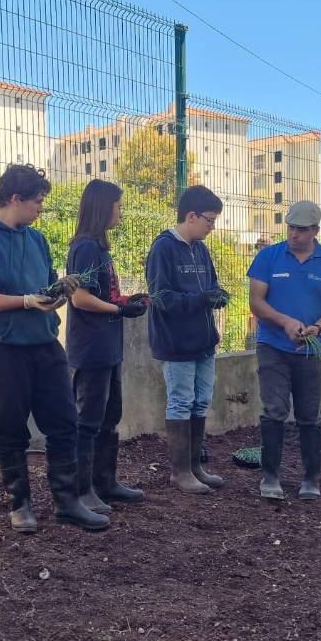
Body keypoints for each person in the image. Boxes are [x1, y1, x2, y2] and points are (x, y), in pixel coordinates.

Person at [0, 164, 108, 532]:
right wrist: (25, 301)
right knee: (11, 429)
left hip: (46, 345)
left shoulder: (37, 239)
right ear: (15, 199)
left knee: (64, 424)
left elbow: (44, 289)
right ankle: (20, 505)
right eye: (37, 201)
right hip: (5, 349)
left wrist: (57, 291)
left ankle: (68, 502)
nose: (40, 209)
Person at [246, 200, 321, 500]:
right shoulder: (268, 258)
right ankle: (270, 477)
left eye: (302, 230)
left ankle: (311, 478)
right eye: (291, 227)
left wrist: (316, 328)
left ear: (316, 230)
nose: (294, 234)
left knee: (308, 414)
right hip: (273, 346)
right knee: (274, 410)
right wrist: (285, 322)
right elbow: (256, 302)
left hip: (312, 349)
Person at [66, 179, 149, 513]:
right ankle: (82, 490)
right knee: (88, 419)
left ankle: (105, 482)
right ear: (103, 207)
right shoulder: (85, 247)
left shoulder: (100, 249)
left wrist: (130, 300)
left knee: (109, 415)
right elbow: (81, 297)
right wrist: (119, 309)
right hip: (91, 348)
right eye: (118, 205)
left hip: (109, 347)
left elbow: (103, 295)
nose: (121, 211)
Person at [146, 185, 229, 494]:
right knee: (181, 401)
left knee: (201, 400)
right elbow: (161, 297)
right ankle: (180, 472)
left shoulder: (200, 249)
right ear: (191, 216)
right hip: (176, 341)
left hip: (204, 340)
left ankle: (195, 467)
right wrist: (200, 299)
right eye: (209, 220)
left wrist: (217, 295)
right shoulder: (164, 248)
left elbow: (212, 284)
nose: (212, 226)